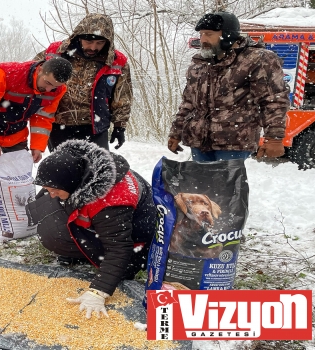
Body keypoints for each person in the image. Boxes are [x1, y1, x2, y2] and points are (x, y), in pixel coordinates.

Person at [27, 139, 155, 319]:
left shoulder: (111, 202)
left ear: (72, 183)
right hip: (106, 218)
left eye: (54, 189)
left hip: (136, 239)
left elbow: (119, 247)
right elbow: (52, 191)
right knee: (51, 226)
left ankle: (97, 255)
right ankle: (80, 247)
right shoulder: (79, 168)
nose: (51, 194)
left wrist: (99, 291)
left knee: (120, 266)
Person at [167, 12, 289, 162]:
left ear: (228, 35)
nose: (203, 39)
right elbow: (188, 102)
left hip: (233, 142)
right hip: (199, 142)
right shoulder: (200, 64)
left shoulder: (256, 60)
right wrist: (176, 132)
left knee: (227, 185)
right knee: (202, 184)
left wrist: (274, 138)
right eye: (201, 34)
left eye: (209, 34)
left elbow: (273, 100)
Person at [34, 13, 133, 151]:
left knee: (96, 169)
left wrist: (119, 125)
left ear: (108, 41)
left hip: (96, 127)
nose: (93, 48)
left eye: (100, 43)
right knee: (64, 169)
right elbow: (31, 77)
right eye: (89, 42)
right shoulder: (55, 54)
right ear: (78, 37)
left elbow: (123, 97)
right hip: (59, 124)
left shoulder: (118, 63)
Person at [0, 56, 72, 180]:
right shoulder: (5, 74)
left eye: (54, 87)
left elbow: (43, 118)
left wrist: (37, 146)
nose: (48, 89)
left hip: (17, 134)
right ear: (40, 70)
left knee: (19, 177)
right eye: (48, 83)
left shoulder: (58, 90)